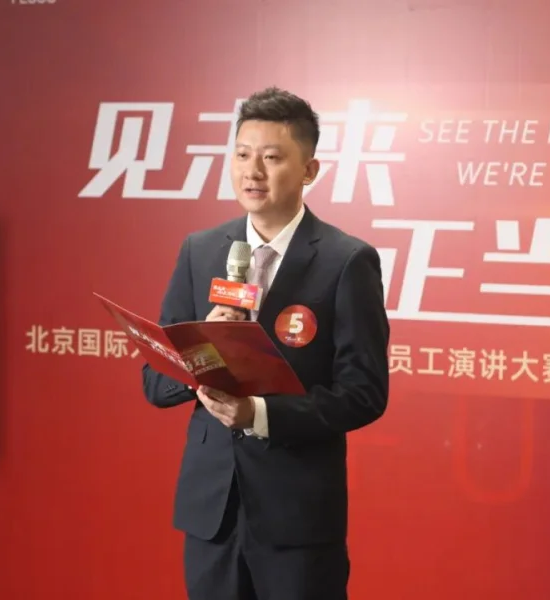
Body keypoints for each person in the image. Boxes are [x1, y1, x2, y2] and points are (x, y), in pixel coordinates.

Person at [141, 87, 390, 600]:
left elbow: (364, 394)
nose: (252, 172)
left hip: (297, 518)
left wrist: (258, 414)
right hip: (212, 512)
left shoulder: (346, 261)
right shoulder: (200, 251)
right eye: (242, 155)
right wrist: (201, 347)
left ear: (309, 170)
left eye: (272, 158)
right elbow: (155, 382)